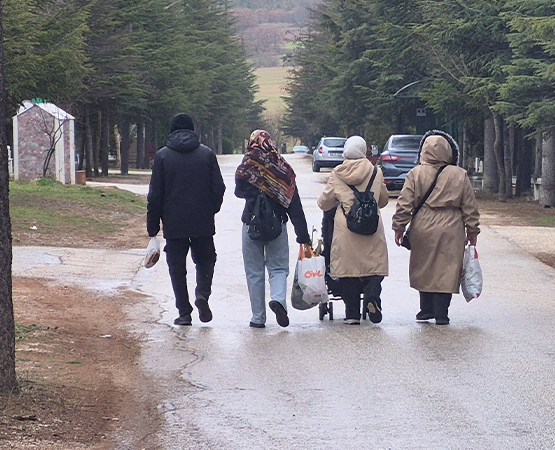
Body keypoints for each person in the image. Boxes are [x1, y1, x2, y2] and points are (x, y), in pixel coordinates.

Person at [391, 131, 480, 325]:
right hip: (452, 224)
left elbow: (405, 203)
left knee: (424, 265)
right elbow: (470, 206)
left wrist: (399, 227)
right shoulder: (459, 174)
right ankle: (442, 313)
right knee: (447, 268)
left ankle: (425, 309)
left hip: (423, 223)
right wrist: (472, 231)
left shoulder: (415, 173)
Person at [147, 113, 226, 326]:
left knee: (177, 267)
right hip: (202, 221)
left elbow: (155, 195)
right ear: (192, 130)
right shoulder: (206, 154)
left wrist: (153, 225)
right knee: (206, 260)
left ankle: (184, 312)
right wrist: (211, 209)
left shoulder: (162, 157)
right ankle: (202, 294)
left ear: (172, 131)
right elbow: (219, 187)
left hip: (174, 222)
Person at [234, 130, 311, 329]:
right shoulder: (282, 167)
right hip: (277, 226)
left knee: (254, 272)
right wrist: (302, 235)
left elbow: (238, 191)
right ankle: (278, 300)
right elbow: (294, 203)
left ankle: (258, 318)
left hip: (251, 224)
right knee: (278, 268)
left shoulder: (248, 165)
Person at [317, 135, 390, 325]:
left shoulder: (337, 173)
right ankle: (372, 297)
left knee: (348, 271)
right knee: (374, 267)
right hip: (372, 226)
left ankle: (352, 315)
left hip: (346, 228)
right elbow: (382, 200)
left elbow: (324, 203)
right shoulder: (375, 171)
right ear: (364, 150)